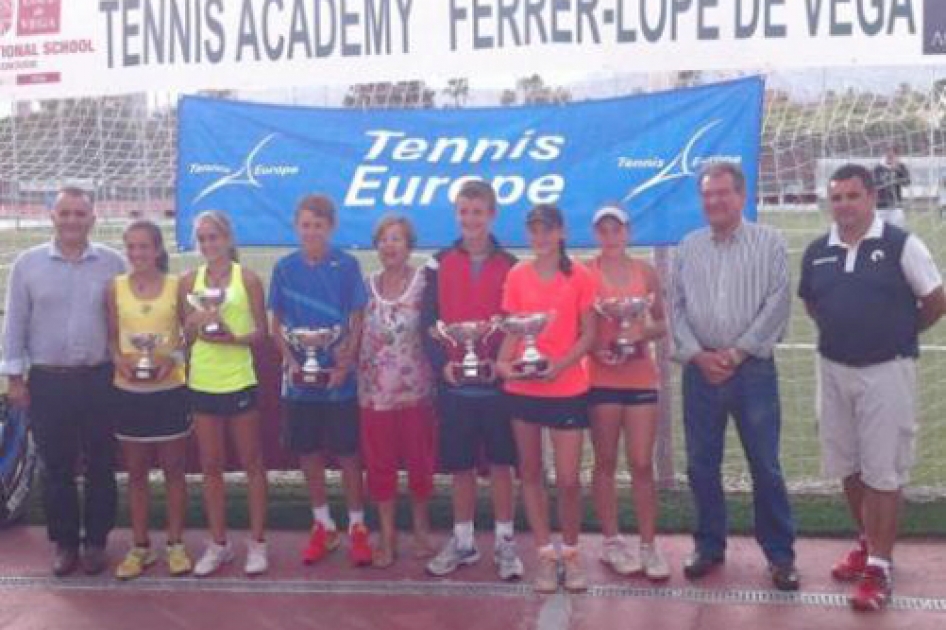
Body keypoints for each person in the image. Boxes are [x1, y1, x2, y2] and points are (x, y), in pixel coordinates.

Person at [799, 164, 946, 611]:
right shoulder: (816, 250)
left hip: (887, 371)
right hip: (833, 369)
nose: (844, 205)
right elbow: (811, 302)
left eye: (852, 196)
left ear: (871, 197)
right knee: (848, 465)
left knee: (883, 472)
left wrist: (896, 333)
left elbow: (936, 300)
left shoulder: (902, 244)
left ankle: (880, 566)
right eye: (837, 197)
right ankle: (866, 540)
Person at [672, 162, 799, 592]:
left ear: (741, 196)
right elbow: (676, 309)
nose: (714, 201)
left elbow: (778, 302)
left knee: (765, 465)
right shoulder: (688, 247)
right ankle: (709, 546)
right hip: (701, 372)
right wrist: (697, 355)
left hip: (753, 371)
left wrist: (740, 351)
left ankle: (780, 556)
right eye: (707, 194)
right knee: (701, 465)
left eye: (722, 193)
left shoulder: (770, 242)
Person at [0, 187, 125, 576]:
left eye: (80, 213)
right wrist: (14, 379)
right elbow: (15, 322)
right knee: (56, 468)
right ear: (52, 216)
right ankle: (66, 542)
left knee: (102, 465)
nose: (72, 220)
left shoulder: (113, 263)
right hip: (48, 382)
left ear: (93, 218)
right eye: (65, 213)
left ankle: (97, 542)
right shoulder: (27, 264)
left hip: (100, 379)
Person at [421, 180, 523, 581]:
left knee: (501, 464)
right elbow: (426, 322)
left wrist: (504, 362)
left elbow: (516, 321)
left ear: (492, 214)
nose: (471, 219)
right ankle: (463, 541)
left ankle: (504, 542)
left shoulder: (511, 263)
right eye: (464, 211)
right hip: (455, 384)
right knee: (460, 466)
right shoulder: (438, 261)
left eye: (478, 211)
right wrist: (440, 365)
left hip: (497, 385)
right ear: (457, 214)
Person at [497, 203, 596, 594]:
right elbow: (512, 331)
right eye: (533, 230)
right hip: (524, 388)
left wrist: (560, 365)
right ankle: (544, 555)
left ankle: (570, 555)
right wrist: (504, 363)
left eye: (546, 230)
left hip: (567, 388)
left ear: (561, 232)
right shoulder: (517, 274)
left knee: (569, 480)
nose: (539, 238)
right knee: (531, 473)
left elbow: (588, 334)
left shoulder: (581, 276)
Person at [268, 194, 372, 567]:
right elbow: (276, 326)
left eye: (319, 225)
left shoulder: (347, 265)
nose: (312, 231)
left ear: (331, 227)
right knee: (308, 452)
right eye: (306, 224)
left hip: (339, 381)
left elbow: (357, 318)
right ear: (297, 226)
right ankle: (323, 524)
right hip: (299, 382)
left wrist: (345, 362)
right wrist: (293, 361)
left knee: (347, 454)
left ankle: (357, 526)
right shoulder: (283, 268)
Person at [180, 210, 270, 577]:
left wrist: (234, 338)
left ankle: (258, 543)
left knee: (252, 464)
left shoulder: (246, 278)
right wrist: (193, 324)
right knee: (210, 466)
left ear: (228, 239)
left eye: (214, 237)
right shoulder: (188, 281)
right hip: (203, 380)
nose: (208, 245)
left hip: (239, 379)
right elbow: (183, 337)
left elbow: (261, 332)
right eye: (202, 239)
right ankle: (219, 543)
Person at [586, 205, 670, 581]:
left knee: (640, 463)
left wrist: (638, 334)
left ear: (627, 231)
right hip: (601, 379)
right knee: (605, 461)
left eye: (616, 229)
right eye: (603, 230)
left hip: (640, 378)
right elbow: (579, 327)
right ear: (596, 234)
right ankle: (611, 542)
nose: (610, 236)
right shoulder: (586, 272)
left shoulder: (645, 272)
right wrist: (593, 349)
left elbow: (662, 324)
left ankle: (649, 545)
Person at [107, 220, 191, 579]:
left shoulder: (177, 286)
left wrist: (167, 361)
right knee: (136, 473)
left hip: (169, 392)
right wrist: (121, 362)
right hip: (129, 393)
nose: (138, 254)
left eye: (145, 247)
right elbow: (112, 339)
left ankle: (175, 544)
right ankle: (141, 546)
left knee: (174, 471)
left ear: (157, 250)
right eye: (132, 247)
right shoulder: (115, 288)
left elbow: (189, 338)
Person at [358, 215, 437, 568]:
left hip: (416, 392)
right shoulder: (365, 285)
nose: (389, 246)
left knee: (420, 463)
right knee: (380, 466)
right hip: (374, 395)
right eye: (383, 240)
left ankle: (421, 527)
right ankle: (387, 535)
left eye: (396, 239)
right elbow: (354, 331)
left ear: (409, 246)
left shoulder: (423, 283)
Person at [872, 148, 910, 228]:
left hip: (896, 207)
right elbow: (873, 185)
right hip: (881, 207)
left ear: (896, 156)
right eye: (887, 154)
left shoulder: (901, 167)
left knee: (898, 232)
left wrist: (897, 170)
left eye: (892, 155)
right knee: (879, 231)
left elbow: (907, 183)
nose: (889, 157)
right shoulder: (877, 168)